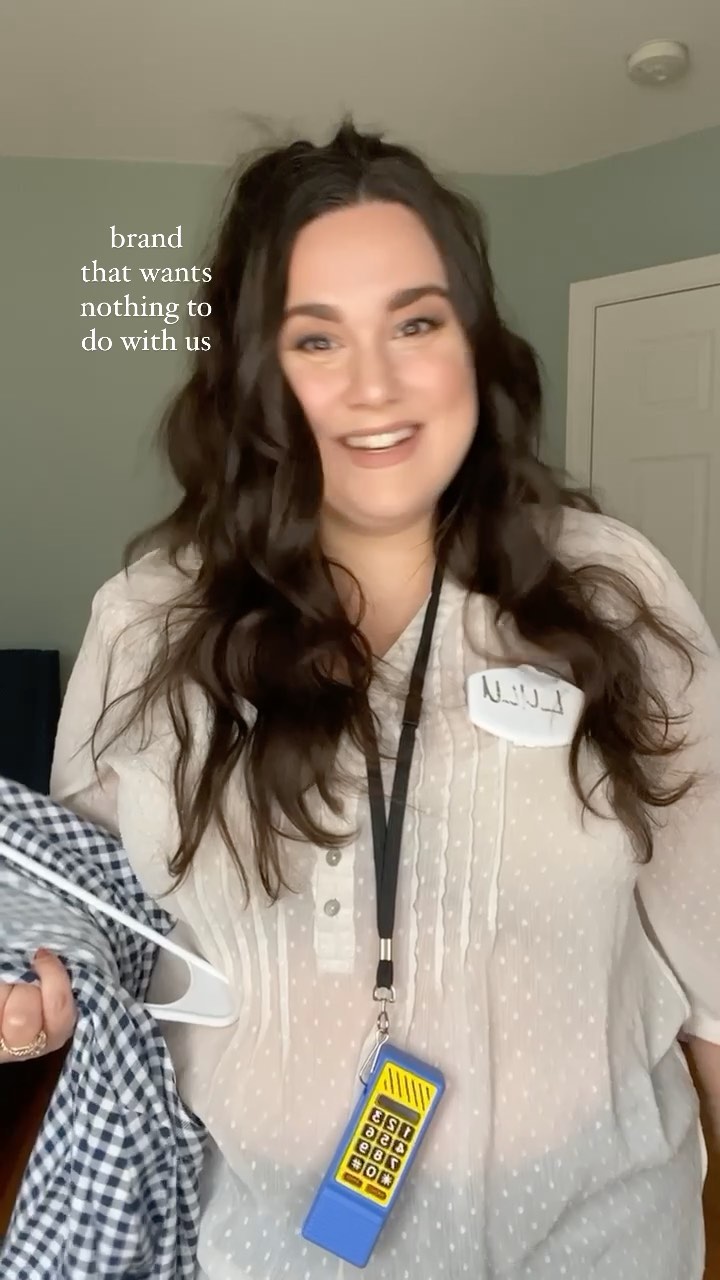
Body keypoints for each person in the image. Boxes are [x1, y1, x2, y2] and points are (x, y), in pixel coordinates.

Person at [1, 120, 719, 1279]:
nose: (374, 383)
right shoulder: (149, 622)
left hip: (599, 1237)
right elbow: (89, 903)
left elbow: (716, 957)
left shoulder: (609, 588)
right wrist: (36, 981)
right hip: (268, 1244)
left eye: (415, 322)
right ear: (251, 373)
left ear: (474, 343)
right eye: (315, 336)